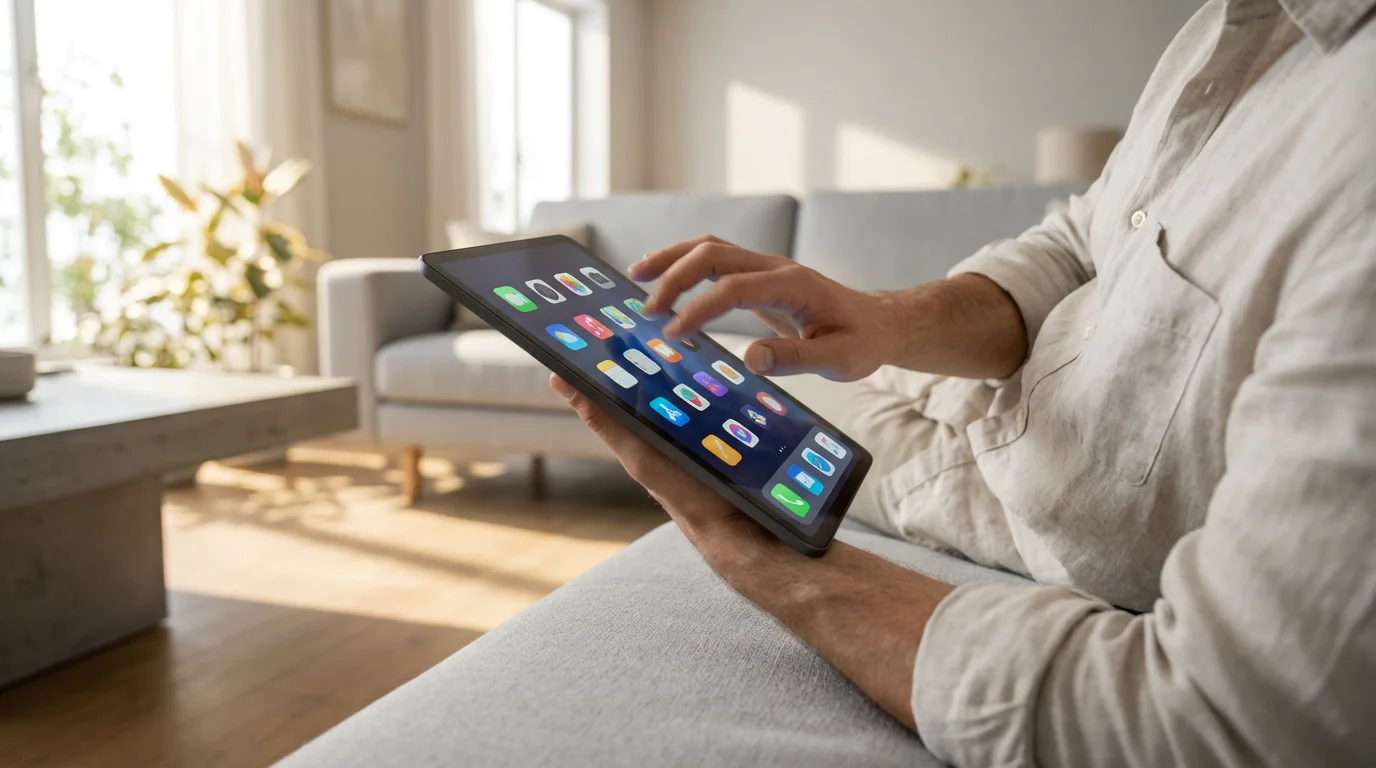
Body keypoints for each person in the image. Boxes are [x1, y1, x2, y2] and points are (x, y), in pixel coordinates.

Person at [551, 0, 1376, 764]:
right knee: (741, 383)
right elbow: (1084, 240)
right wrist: (883, 320)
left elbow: (1223, 721)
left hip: (1022, 496)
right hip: (994, 403)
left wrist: (751, 548)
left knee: (733, 406)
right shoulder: (1234, 27)